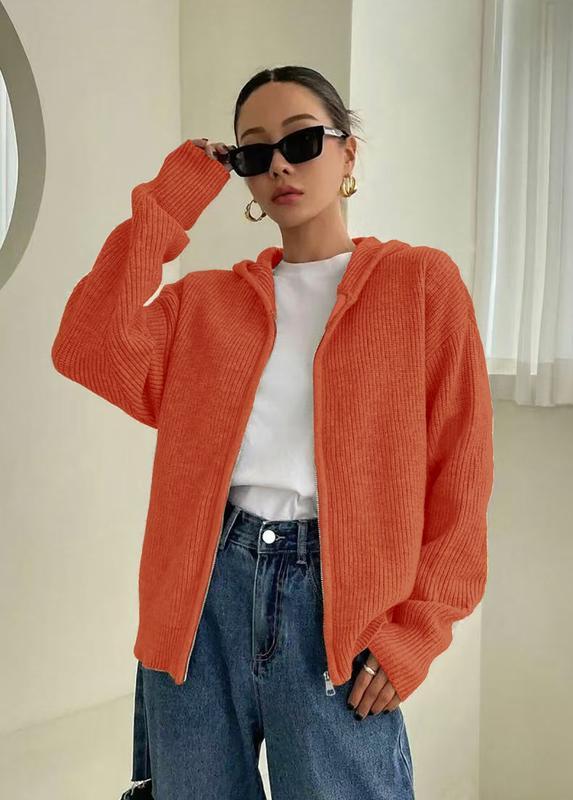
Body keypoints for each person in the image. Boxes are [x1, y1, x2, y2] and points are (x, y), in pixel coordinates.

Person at [52, 65, 494, 799]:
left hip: (338, 610)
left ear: (347, 152)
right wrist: (174, 196)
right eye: (255, 153)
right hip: (199, 602)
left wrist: (418, 633)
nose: (280, 165)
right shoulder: (206, 304)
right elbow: (87, 344)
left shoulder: (419, 284)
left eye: (301, 141)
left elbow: (462, 474)